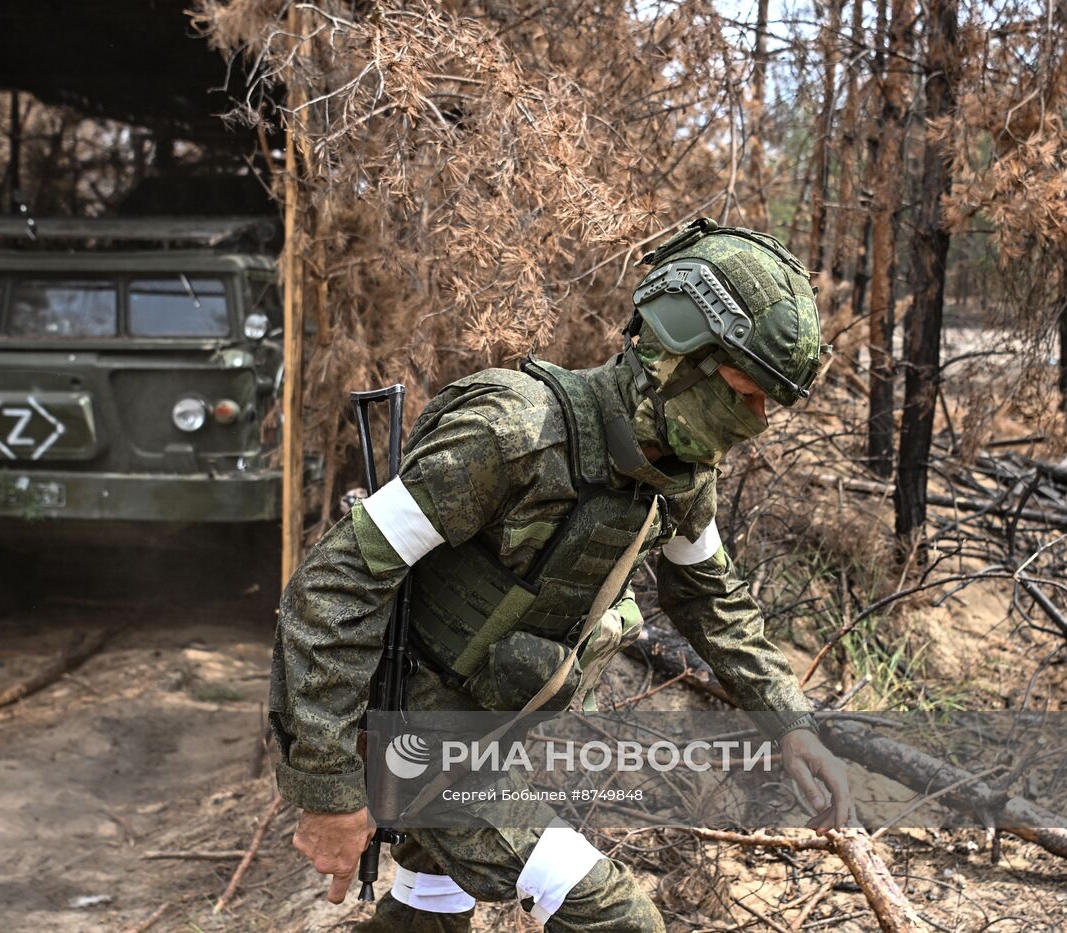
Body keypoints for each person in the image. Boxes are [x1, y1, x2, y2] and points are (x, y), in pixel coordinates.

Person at [270, 218, 853, 931]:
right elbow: (332, 589)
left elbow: (711, 598)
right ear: (676, 353)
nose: (757, 420)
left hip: (484, 739)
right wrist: (327, 786)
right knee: (618, 920)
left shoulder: (678, 473)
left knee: (427, 920)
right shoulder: (513, 432)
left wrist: (791, 719)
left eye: (772, 402)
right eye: (744, 390)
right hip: (415, 741)